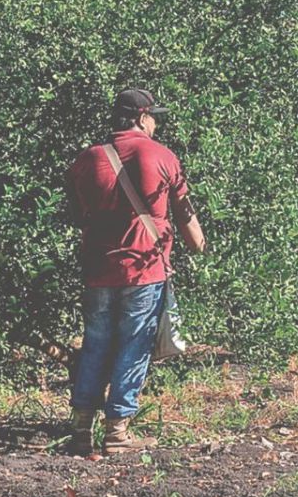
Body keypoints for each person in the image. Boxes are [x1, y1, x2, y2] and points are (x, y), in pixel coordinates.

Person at [64, 89, 206, 456]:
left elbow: (80, 217)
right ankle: (117, 431)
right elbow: (186, 214)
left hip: (97, 270)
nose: (156, 122)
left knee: (95, 343)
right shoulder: (161, 155)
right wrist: (199, 247)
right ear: (142, 118)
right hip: (145, 269)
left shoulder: (86, 160)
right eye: (154, 116)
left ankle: (81, 428)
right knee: (134, 345)